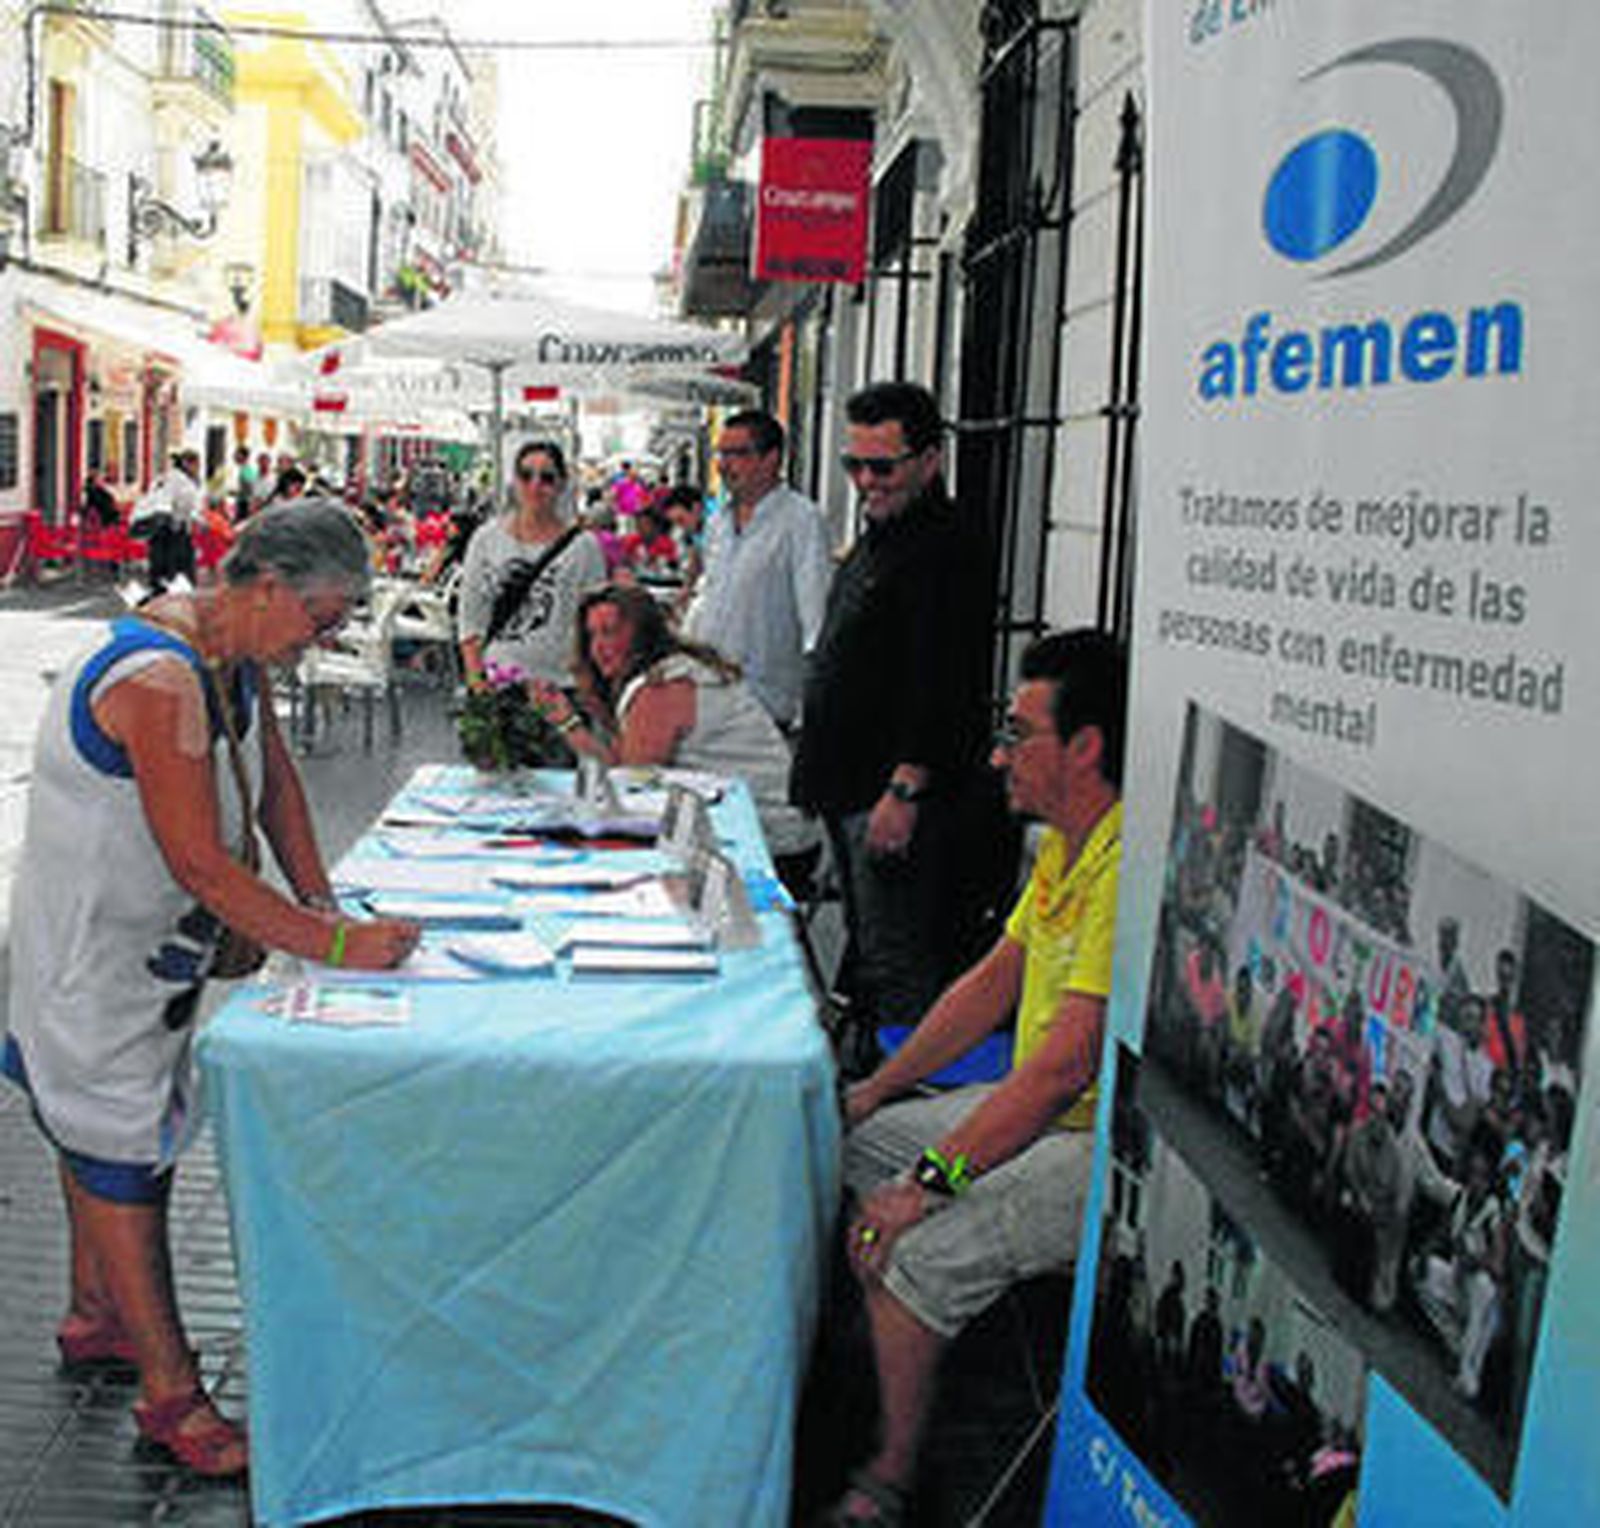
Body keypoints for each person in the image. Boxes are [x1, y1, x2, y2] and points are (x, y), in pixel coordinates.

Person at [1, 500, 422, 1479]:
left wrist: (322, 897)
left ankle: (95, 1311)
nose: (322, 640)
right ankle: (170, 1391)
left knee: (95, 1126)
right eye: (321, 619)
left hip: (131, 958)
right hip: (93, 966)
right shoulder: (159, 678)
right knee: (122, 1154)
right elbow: (200, 863)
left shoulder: (224, 652)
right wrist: (334, 941)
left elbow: (272, 787)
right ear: (267, 586)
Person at [823, 628, 1126, 1527]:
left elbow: (1063, 1068)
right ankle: (887, 1378)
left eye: (1019, 732)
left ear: (1085, 747)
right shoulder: (1066, 847)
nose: (998, 753)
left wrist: (931, 1182)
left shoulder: (1123, 861)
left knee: (917, 1250)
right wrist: (876, 1089)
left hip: (1091, 1144)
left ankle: (887, 1479)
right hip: (1035, 1113)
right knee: (853, 1145)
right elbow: (988, 986)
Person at [792, 382, 994, 1039]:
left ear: (930, 460)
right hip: (848, 785)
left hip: (888, 793)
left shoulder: (946, 546)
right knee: (871, 949)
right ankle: (881, 1084)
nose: (866, 482)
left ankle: (905, 1108)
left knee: (900, 960)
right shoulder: (884, 530)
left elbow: (944, 679)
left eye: (883, 466)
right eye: (855, 466)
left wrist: (906, 786)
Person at [530, 583, 819, 894]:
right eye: (591, 636)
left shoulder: (663, 687)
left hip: (767, 845)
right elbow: (625, 768)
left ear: (642, 633)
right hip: (779, 833)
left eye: (610, 632)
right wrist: (567, 720)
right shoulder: (672, 670)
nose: (598, 647)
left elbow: (627, 787)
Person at [685, 409, 830, 731]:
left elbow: (815, 620)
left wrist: (811, 713)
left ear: (771, 459)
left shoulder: (801, 521)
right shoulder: (718, 522)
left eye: (738, 454)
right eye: (721, 453)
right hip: (707, 697)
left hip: (764, 705)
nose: (724, 464)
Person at [457, 439, 606, 694]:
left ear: (561, 485)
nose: (535, 485)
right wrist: (477, 684)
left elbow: (595, 623)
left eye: (547, 478)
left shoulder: (584, 548)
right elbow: (471, 617)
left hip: (561, 687)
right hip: (499, 684)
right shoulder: (486, 539)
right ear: (514, 481)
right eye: (526, 475)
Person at [135, 448, 202, 594]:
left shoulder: (163, 477)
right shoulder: (183, 482)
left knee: (159, 573)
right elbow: (188, 508)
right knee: (177, 574)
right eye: (196, 465)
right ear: (188, 464)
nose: (198, 469)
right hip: (173, 531)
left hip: (156, 529)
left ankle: (159, 598)